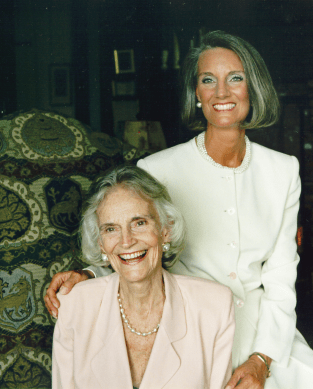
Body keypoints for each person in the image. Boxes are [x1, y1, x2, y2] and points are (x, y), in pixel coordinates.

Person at [46, 31, 313, 389]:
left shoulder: (283, 170)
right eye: (207, 81)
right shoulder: (158, 168)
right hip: (188, 327)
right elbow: (136, 241)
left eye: (235, 78)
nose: (221, 92)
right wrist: (90, 274)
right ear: (197, 94)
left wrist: (262, 358)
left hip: (264, 333)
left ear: (253, 88)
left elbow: (280, 277)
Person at [52, 166, 235, 389]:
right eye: (111, 229)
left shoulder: (214, 306)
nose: (126, 240)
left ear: (165, 229)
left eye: (139, 223)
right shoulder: (74, 305)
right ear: (100, 243)